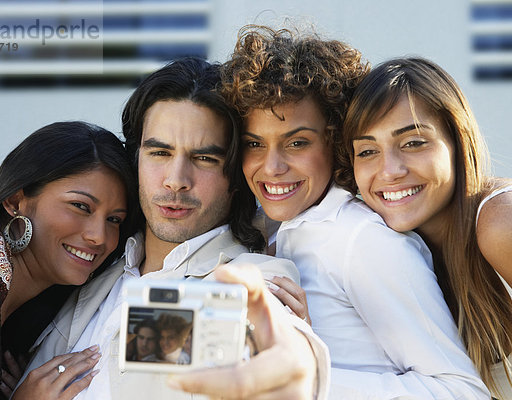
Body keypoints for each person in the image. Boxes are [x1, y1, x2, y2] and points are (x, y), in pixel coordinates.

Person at [18, 57, 330, 400]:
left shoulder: (248, 275)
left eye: (204, 159)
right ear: (135, 158)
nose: (176, 180)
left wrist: (295, 362)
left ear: (236, 177)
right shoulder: (96, 265)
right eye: (160, 153)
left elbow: (271, 340)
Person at [221, 26, 490, 398]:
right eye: (255, 144)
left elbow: (461, 391)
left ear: (335, 142)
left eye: (297, 143)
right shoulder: (274, 230)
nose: (272, 167)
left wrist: (309, 380)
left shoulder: (363, 240)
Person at [341, 56, 512, 400]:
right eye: (367, 151)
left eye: (413, 142)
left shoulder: (504, 222)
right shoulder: (395, 256)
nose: (389, 170)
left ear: (456, 141)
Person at [0, 121, 138, 400]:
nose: (99, 237)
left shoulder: (29, 321)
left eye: (114, 220)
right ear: (16, 201)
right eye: (81, 206)